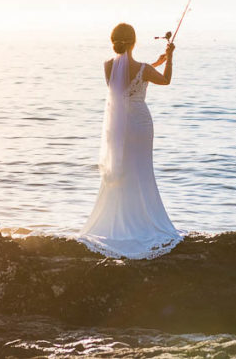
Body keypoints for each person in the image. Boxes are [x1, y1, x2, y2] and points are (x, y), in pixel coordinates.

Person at [78, 22, 182, 258]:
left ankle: (120, 219)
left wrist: (155, 62)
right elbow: (165, 80)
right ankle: (144, 219)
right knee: (141, 170)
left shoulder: (107, 67)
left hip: (120, 125)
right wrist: (170, 58)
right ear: (134, 42)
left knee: (124, 170)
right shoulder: (143, 69)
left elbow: (124, 78)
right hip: (140, 124)